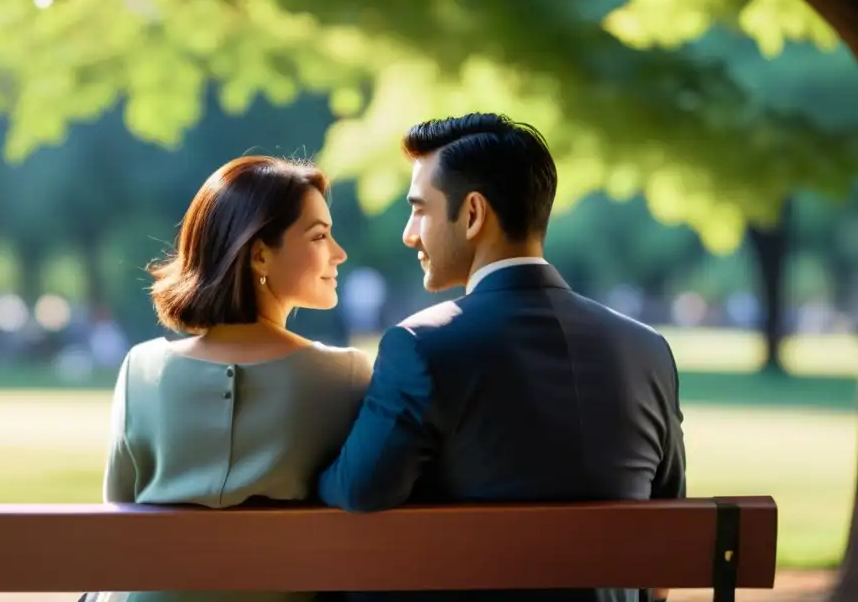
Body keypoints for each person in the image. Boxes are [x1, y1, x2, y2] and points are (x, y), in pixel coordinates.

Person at [317, 114, 686, 602]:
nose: (409, 233)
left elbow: (359, 490)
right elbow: (670, 528)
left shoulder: (423, 346)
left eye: (419, 210)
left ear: (472, 214)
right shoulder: (648, 350)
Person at [84, 155, 372, 602]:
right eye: (319, 235)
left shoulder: (141, 368)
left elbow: (118, 515)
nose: (339, 253)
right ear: (259, 253)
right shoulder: (346, 374)